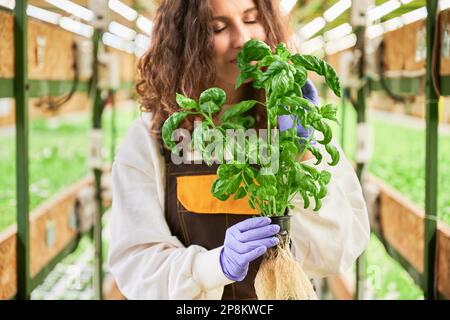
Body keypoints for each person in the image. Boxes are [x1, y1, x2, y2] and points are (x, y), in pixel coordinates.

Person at [107, 0, 370, 300]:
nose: (242, 39)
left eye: (251, 19)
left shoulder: (293, 119)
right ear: (184, 43)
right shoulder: (151, 138)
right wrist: (213, 266)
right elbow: (136, 262)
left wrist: (303, 152)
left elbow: (338, 249)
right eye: (218, 27)